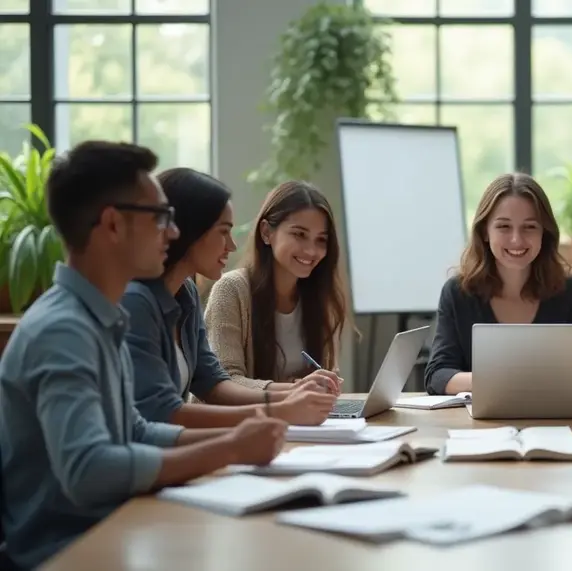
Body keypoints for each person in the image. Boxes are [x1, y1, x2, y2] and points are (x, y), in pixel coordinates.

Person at [0, 141, 287, 570]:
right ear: (113, 225)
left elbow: (134, 430)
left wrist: (246, 437)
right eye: (160, 218)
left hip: (117, 530)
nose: (173, 233)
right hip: (67, 553)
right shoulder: (64, 330)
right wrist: (229, 447)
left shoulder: (100, 315)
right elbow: (89, 470)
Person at [122, 168, 340, 429]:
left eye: (321, 240)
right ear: (188, 229)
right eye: (223, 232)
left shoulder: (186, 294)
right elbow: (160, 415)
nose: (232, 246)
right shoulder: (136, 302)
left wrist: (293, 396)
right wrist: (277, 411)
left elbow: (213, 382)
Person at [424, 172, 572, 396]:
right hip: (480, 427)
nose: (516, 240)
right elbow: (437, 375)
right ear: (485, 231)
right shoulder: (458, 292)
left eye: (530, 227)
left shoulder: (571, 291)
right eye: (504, 227)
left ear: (545, 232)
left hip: (557, 423)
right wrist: (503, 379)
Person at [204, 181, 349, 389]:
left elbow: (320, 377)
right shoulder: (231, 290)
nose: (311, 251)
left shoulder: (321, 297)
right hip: (243, 421)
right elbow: (224, 382)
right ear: (266, 232)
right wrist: (294, 390)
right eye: (299, 234)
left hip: (299, 419)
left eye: (321, 240)